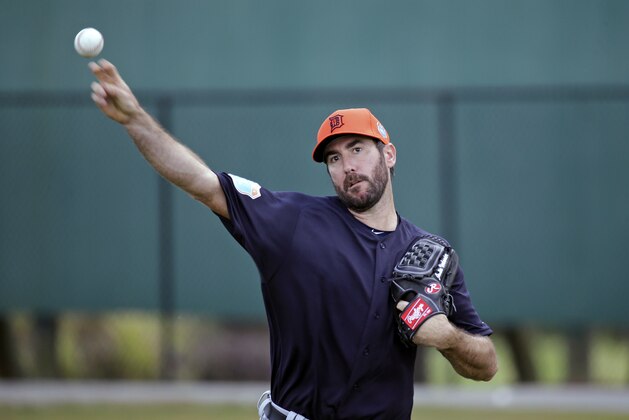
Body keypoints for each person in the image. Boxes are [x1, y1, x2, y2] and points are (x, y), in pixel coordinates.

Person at [88, 59, 497, 420]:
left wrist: (445, 336)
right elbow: (200, 182)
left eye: (357, 149)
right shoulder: (294, 222)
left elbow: (486, 363)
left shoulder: (429, 253)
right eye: (334, 158)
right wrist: (135, 119)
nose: (347, 166)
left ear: (388, 154)